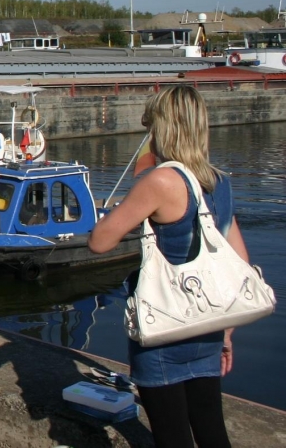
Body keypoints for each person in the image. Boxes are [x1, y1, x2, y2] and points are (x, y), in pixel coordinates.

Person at [89, 86, 247, 448]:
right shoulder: (220, 182)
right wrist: (226, 332)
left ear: (162, 129)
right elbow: (240, 262)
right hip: (208, 326)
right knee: (210, 429)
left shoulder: (160, 181)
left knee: (172, 436)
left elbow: (100, 241)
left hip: (164, 332)